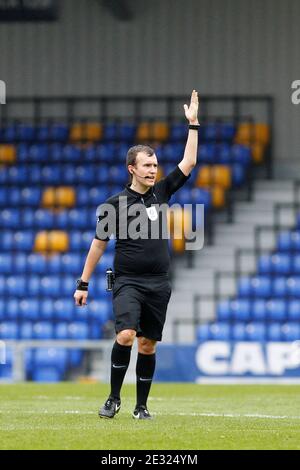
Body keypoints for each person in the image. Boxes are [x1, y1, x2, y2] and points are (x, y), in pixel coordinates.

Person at [74, 90, 199, 419]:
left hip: (159, 283)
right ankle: (113, 398)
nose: (153, 170)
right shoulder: (113, 204)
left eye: (155, 165)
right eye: (147, 165)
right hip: (126, 280)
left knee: (148, 345)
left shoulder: (161, 192)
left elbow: (189, 163)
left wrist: (194, 124)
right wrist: (83, 283)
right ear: (132, 168)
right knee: (126, 334)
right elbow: (98, 245)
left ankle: (141, 406)